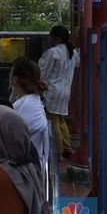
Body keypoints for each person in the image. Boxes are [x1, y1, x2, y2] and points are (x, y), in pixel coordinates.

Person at [39, 25, 79, 159]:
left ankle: (59, 151)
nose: (48, 37)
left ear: (57, 38)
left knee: (53, 120)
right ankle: (67, 146)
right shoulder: (72, 53)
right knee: (61, 119)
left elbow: (43, 72)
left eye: (50, 35)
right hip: (65, 91)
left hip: (52, 91)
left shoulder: (53, 52)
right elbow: (77, 64)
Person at [10, 57, 48, 174]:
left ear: (15, 79)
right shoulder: (30, 100)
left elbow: (13, 139)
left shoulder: (28, 105)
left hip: (23, 169)